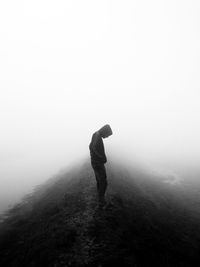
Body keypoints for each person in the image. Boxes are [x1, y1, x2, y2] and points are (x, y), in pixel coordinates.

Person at [89, 124, 113, 206]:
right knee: (103, 181)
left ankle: (100, 197)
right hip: (97, 163)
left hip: (95, 162)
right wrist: (101, 157)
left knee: (99, 180)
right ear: (105, 131)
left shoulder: (96, 135)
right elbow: (93, 147)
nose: (107, 137)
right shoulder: (97, 135)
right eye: (107, 135)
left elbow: (91, 146)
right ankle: (101, 199)